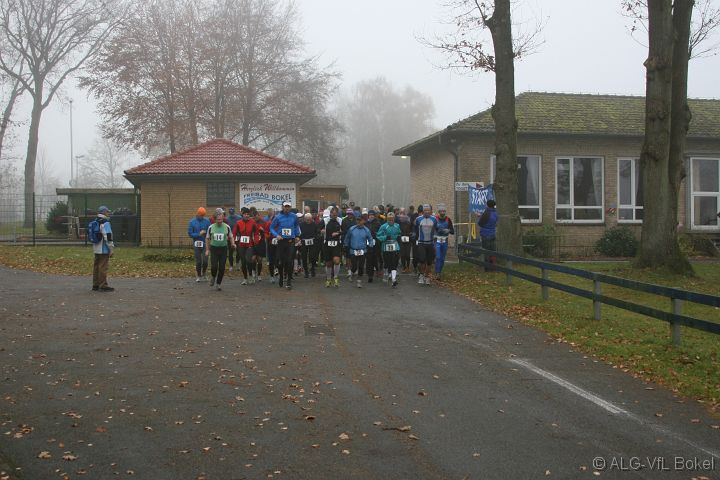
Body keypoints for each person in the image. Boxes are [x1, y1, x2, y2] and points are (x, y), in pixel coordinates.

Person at [270, 201, 301, 290]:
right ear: (283, 207)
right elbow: (271, 227)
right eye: (285, 207)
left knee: (289, 261)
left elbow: (296, 226)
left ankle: (288, 281)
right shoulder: (278, 217)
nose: (287, 208)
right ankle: (280, 277)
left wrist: (297, 235)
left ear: (290, 207)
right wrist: (276, 235)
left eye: (288, 207)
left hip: (291, 241)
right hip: (281, 241)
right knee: (280, 262)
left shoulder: (294, 216)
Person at [205, 208, 235, 291]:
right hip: (214, 249)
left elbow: (231, 236)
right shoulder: (211, 227)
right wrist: (207, 250)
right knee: (214, 267)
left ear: (223, 219)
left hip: (223, 249)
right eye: (218, 219)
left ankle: (218, 284)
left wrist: (233, 243)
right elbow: (207, 238)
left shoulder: (227, 227)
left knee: (222, 268)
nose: (219, 221)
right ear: (215, 219)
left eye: (221, 219)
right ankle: (213, 277)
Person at [344, 214, 374, 288]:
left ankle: (359, 281)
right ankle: (351, 272)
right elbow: (347, 238)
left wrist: (370, 246)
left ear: (363, 221)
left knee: (361, 266)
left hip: (363, 250)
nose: (358, 222)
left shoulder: (366, 230)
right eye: (357, 220)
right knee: (354, 266)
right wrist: (345, 245)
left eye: (360, 220)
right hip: (353, 250)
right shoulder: (352, 229)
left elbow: (370, 239)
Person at [91, 206, 115, 292]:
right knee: (103, 267)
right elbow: (108, 236)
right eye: (108, 212)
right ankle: (103, 285)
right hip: (103, 248)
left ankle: (95, 284)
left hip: (96, 247)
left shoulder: (95, 221)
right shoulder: (105, 222)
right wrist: (111, 248)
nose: (108, 213)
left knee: (96, 266)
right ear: (104, 212)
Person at [232, 208, 258, 285]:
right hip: (241, 245)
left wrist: (256, 240)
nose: (246, 215)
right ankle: (245, 278)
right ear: (242, 215)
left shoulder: (253, 222)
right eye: (245, 214)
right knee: (243, 262)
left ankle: (250, 275)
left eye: (248, 214)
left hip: (250, 244)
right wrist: (233, 242)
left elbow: (256, 233)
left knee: (248, 260)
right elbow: (234, 233)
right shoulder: (238, 223)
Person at [414, 204, 438, 285]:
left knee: (429, 262)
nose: (427, 212)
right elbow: (414, 228)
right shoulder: (418, 219)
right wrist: (414, 234)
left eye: (428, 210)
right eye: (425, 210)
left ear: (431, 211)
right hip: (421, 243)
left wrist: (441, 232)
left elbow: (437, 229)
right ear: (423, 211)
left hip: (430, 243)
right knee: (422, 260)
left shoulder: (434, 219)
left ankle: (427, 276)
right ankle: (421, 275)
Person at [320, 206, 343, 287]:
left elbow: (344, 231)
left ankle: (336, 277)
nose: (334, 216)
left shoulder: (340, 221)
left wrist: (338, 233)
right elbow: (318, 229)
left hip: (337, 243)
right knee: (329, 263)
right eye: (333, 215)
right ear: (330, 214)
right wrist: (322, 231)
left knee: (336, 261)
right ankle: (329, 279)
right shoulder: (325, 221)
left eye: (336, 215)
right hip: (327, 243)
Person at [377, 212, 401, 287]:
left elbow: (399, 233)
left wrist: (399, 236)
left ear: (394, 219)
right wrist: (385, 237)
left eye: (392, 219)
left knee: (394, 262)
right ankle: (386, 273)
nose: (391, 220)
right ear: (387, 219)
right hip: (386, 245)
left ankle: (394, 279)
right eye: (389, 219)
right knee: (387, 262)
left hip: (394, 245)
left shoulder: (397, 226)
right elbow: (378, 236)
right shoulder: (383, 226)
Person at [188, 207, 210, 282]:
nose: (202, 217)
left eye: (203, 215)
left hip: (205, 243)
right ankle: (198, 275)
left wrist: (206, 232)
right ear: (198, 214)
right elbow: (190, 234)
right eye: (201, 215)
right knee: (198, 261)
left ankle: (204, 273)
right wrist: (198, 234)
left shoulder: (207, 221)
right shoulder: (192, 222)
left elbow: (210, 231)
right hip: (196, 243)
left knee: (205, 261)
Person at [434, 204, 455, 280]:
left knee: (442, 258)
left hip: (445, 241)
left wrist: (448, 230)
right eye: (441, 211)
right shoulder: (435, 219)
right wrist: (437, 230)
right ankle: (437, 272)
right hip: (437, 240)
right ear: (439, 212)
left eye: (444, 211)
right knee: (438, 257)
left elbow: (453, 231)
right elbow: (432, 229)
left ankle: (439, 271)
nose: (443, 212)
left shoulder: (448, 219)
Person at [478, 199, 498, 271]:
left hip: (485, 234)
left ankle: (486, 267)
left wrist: (479, 217)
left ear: (487, 205)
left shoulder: (486, 213)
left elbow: (480, 223)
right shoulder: (496, 213)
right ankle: (493, 267)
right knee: (492, 251)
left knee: (485, 251)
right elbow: (496, 221)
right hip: (493, 233)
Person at [299, 213, 320, 278]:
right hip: (304, 242)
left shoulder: (314, 225)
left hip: (312, 242)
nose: (308, 221)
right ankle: (306, 271)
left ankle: (313, 268)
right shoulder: (301, 225)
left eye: (309, 219)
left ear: (311, 219)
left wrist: (315, 239)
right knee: (304, 257)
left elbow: (317, 233)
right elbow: (299, 233)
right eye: (307, 219)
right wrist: (299, 240)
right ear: (304, 219)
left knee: (313, 256)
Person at [365, 209, 382, 282]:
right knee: (369, 259)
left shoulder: (378, 223)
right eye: (370, 215)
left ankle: (378, 270)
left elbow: (381, 233)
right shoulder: (366, 223)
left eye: (372, 215)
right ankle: (370, 275)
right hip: (368, 244)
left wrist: (377, 235)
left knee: (375, 259)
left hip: (376, 244)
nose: (371, 216)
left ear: (374, 216)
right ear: (368, 216)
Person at [253, 210, 269, 281]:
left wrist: (263, 230)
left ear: (259, 215)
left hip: (261, 242)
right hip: (253, 242)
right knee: (253, 259)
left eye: (257, 216)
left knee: (259, 259)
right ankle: (253, 272)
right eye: (254, 216)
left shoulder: (263, 222)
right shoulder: (251, 222)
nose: (255, 217)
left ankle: (259, 275)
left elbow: (267, 233)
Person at [397, 208, 413, 273]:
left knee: (407, 255)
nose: (402, 215)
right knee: (402, 255)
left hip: (408, 240)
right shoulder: (398, 223)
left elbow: (412, 230)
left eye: (403, 213)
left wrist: (411, 233)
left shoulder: (409, 222)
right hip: (401, 240)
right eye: (401, 213)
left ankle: (408, 267)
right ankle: (404, 267)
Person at [341, 208, 356, 278]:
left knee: (355, 255)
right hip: (348, 240)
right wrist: (344, 241)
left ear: (352, 214)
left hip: (355, 240)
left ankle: (355, 268)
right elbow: (343, 231)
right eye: (348, 214)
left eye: (350, 214)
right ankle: (349, 270)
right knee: (348, 256)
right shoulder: (344, 221)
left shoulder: (356, 220)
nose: (349, 215)